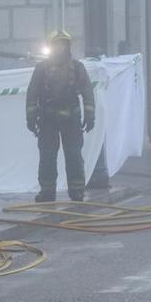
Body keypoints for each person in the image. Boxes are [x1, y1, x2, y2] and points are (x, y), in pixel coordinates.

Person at [26, 30, 95, 202]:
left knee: (73, 155)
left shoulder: (78, 67)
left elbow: (87, 91)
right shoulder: (41, 68)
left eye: (63, 44)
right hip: (48, 119)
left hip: (71, 119)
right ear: (51, 47)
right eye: (57, 44)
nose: (60, 47)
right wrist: (31, 117)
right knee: (47, 156)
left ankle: (77, 190)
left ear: (68, 46)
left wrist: (90, 115)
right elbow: (32, 93)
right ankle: (47, 191)